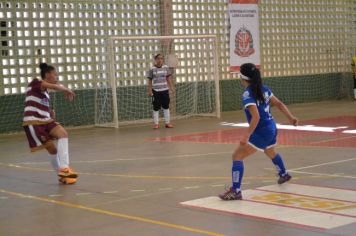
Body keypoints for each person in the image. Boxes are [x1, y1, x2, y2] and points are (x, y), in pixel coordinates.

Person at [219, 63, 298, 200]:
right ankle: (283, 174)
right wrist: (291, 118)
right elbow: (279, 104)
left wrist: (246, 135)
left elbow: (256, 117)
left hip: (261, 130)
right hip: (271, 127)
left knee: (237, 156)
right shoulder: (264, 89)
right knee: (270, 151)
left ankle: (236, 190)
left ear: (242, 77)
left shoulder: (247, 94)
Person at [22, 63, 78, 184]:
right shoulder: (36, 83)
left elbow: (41, 106)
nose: (57, 77)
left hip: (46, 121)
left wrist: (50, 114)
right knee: (52, 150)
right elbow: (55, 87)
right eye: (55, 74)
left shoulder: (46, 93)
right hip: (34, 122)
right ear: (47, 75)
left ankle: (64, 169)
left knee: (63, 134)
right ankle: (62, 175)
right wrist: (66, 89)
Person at [147, 53, 175, 129]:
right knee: (156, 108)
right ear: (155, 59)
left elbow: (168, 79)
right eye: (158, 58)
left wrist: (171, 88)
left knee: (166, 107)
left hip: (165, 90)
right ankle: (156, 124)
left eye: (161, 58)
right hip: (156, 91)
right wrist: (150, 90)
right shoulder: (152, 69)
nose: (160, 60)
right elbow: (149, 81)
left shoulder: (166, 67)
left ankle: (167, 123)